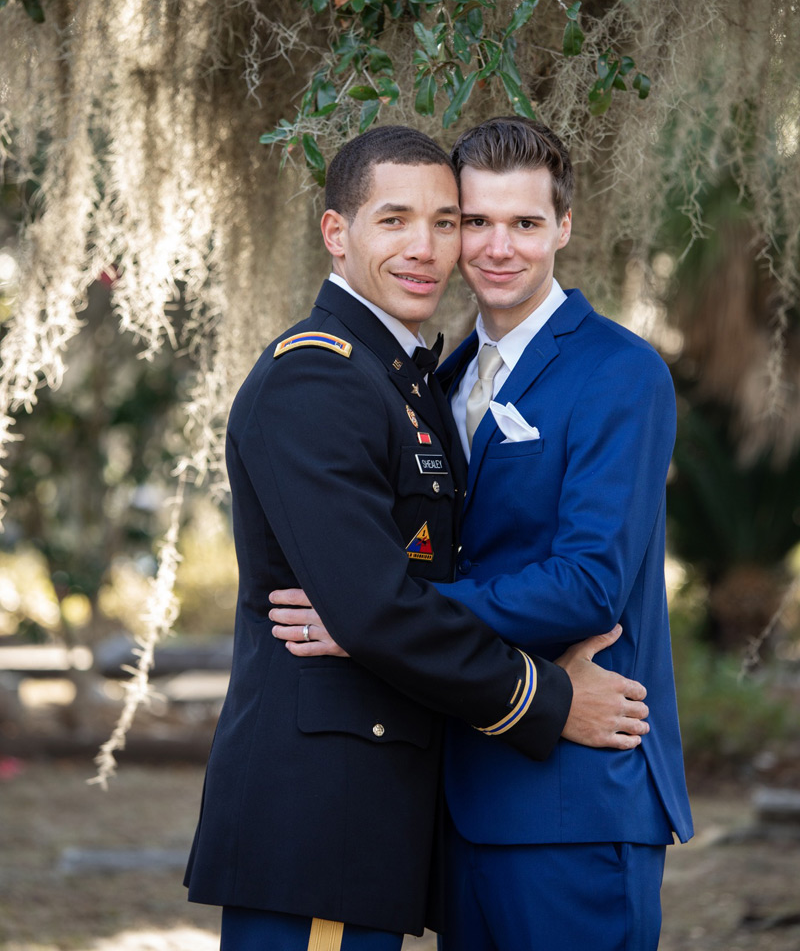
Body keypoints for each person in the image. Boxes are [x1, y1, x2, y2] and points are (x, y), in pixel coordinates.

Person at [185, 125, 652, 951]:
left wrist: (376, 615)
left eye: (444, 222)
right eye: (396, 220)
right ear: (337, 233)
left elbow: (391, 603)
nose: (427, 248)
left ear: (563, 228)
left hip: (387, 809)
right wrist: (546, 698)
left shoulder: (410, 378)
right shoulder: (318, 375)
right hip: (323, 815)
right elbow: (374, 609)